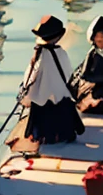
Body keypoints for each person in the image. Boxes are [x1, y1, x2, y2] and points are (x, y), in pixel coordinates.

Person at [18, 15, 85, 147]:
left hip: (42, 99)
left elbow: (30, 78)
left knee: (41, 122)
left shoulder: (39, 55)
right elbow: (68, 75)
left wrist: (24, 93)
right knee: (62, 119)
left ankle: (41, 138)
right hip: (61, 97)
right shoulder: (62, 53)